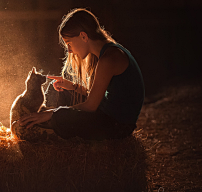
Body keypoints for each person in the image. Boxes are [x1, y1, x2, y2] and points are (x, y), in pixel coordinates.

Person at [19, 8, 145, 140]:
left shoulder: (109, 58)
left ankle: (46, 129)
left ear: (83, 36)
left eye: (69, 43)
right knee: (60, 92)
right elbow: (102, 96)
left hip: (117, 126)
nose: (69, 50)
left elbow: (91, 106)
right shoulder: (107, 52)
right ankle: (48, 122)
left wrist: (53, 114)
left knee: (60, 117)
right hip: (108, 115)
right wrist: (72, 86)